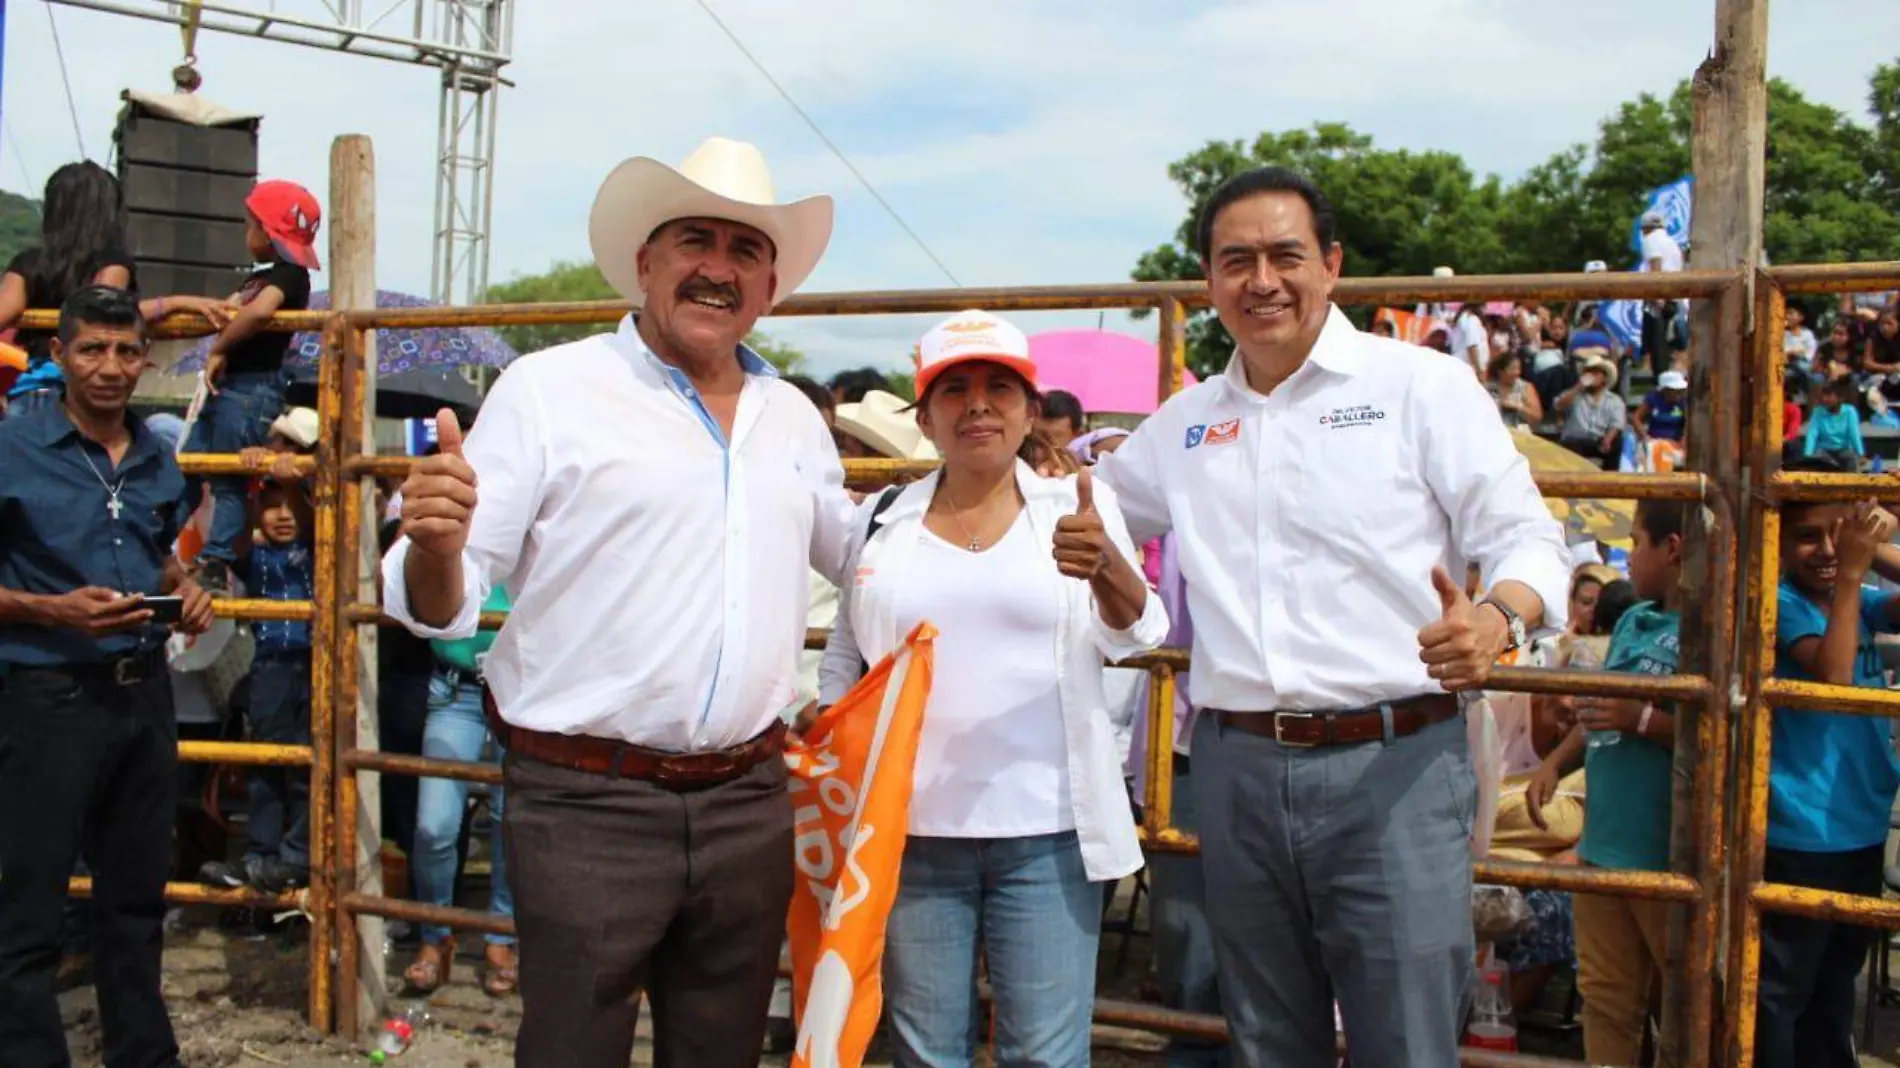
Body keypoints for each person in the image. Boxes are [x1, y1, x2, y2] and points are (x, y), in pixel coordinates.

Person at [382, 136, 852, 1068]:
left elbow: (868, 558)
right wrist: (434, 543)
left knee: (721, 1051)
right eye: (695, 240)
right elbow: (444, 596)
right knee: (572, 1049)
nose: (719, 267)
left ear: (768, 285)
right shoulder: (549, 391)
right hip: (586, 799)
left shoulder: (794, 419)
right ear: (646, 261)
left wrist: (999, 499)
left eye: (745, 248)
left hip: (749, 798)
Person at [1096, 167, 1569, 1068]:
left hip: (1395, 765)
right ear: (1208, 279)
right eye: (1237, 260)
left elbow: (1527, 538)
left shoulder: (1420, 387)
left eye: (1286, 255)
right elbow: (1087, 509)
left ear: (1333, 265)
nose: (1262, 280)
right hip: (1236, 766)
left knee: (1405, 1043)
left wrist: (1500, 619)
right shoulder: (1187, 424)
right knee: (1267, 1040)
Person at [820, 310, 1165, 1067]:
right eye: (955, 390)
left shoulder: (1077, 508)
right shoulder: (881, 518)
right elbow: (846, 649)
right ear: (928, 417)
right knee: (922, 1048)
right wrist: (826, 745)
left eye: (999, 389)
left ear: (1030, 410)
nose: (978, 405)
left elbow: (1141, 633)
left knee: (1043, 1052)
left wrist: (1105, 563)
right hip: (909, 834)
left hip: (1047, 836)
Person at [0, 285, 215, 1068]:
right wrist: (55, 612)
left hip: (141, 698)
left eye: (126, 351)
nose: (110, 367)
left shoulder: (159, 458)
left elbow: (159, 551)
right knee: (28, 911)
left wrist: (185, 591)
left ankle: (144, 1058)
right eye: (91, 349)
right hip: (46, 698)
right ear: (58, 356)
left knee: (134, 907)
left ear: (145, 359)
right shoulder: (10, 449)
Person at [1528, 500, 1687, 1066]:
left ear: (1671, 549)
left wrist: (1638, 719)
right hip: (1605, 846)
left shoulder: (1709, 629)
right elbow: (1605, 707)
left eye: (1637, 542)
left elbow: (1719, 730)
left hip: (1665, 855)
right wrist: (1557, 763)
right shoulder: (1633, 619)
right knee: (1606, 998)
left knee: (1681, 1005)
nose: (1629, 558)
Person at [1759, 460, 1900, 1068]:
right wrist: (1851, 570)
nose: (1825, 550)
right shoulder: (1783, 603)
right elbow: (1835, 675)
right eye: (1806, 537)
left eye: (1835, 534)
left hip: (1859, 825)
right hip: (1802, 830)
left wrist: (1874, 543)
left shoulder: (1859, 598)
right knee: (1782, 995)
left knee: (1834, 991)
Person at [0, 162, 231, 416]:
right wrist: (175, 302)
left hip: (28, 390)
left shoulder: (28, 262)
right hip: (82, 394)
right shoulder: (113, 262)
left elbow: (5, 311)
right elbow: (101, 311)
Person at [187, 179, 321, 595]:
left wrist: (220, 348)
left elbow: (259, 313)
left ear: (264, 230)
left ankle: (216, 560)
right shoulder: (263, 277)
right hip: (233, 387)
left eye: (250, 224)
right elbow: (235, 307)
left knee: (228, 477)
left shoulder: (289, 277)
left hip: (251, 387)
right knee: (192, 462)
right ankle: (168, 537)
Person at [199, 480, 315, 893]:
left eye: (291, 506)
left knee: (306, 763)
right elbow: (234, 537)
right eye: (271, 506)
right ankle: (259, 855)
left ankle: (298, 856)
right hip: (271, 665)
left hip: (315, 660)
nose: (282, 515)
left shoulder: (319, 549)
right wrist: (251, 479)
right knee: (264, 760)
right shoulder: (254, 555)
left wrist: (300, 477)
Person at [402, 586, 518, 998]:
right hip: (454, 689)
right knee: (434, 826)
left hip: (520, 687)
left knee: (513, 823)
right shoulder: (457, 520)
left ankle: (501, 936)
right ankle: (436, 935)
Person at [1555, 353, 1628, 469]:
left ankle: (1611, 479)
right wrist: (1578, 388)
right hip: (1575, 440)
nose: (1592, 376)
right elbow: (1558, 405)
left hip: (1599, 440)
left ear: (1604, 377)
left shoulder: (1615, 400)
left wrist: (1608, 439)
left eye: (1596, 372)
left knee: (1617, 442)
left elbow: (1617, 424)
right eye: (1589, 372)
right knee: (1572, 444)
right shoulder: (1574, 395)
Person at [1801, 379, 1864, 471]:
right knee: (1818, 462)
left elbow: (1854, 433)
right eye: (1824, 395)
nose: (1825, 399)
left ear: (1840, 398)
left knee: (1851, 461)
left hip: (1843, 449)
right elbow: (1812, 434)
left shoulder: (1850, 411)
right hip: (1824, 451)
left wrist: (1860, 453)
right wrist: (1807, 454)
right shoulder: (1818, 411)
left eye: (1829, 395)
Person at [1487, 349, 1543, 429]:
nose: (1517, 372)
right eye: (1512, 369)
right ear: (1500, 372)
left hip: (1519, 432)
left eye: (1518, 369)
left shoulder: (1525, 387)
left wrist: (1518, 406)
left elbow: (1537, 417)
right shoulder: (1488, 388)